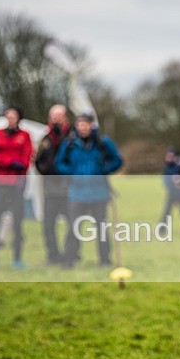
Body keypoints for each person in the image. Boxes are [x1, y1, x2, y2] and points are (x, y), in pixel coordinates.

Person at [55, 113, 123, 268]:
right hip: (77, 193)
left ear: (92, 125)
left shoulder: (103, 142)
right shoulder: (70, 143)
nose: (82, 127)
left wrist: (104, 170)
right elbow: (59, 163)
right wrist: (71, 173)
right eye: (80, 124)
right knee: (74, 227)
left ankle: (104, 259)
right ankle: (69, 259)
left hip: (99, 192)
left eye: (85, 124)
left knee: (101, 228)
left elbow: (118, 160)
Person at [0, 106, 33, 269]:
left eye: (14, 116)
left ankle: (17, 259)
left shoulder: (24, 136)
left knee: (18, 223)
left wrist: (16, 163)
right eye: (8, 116)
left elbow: (26, 160)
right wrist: (10, 162)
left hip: (17, 184)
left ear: (19, 118)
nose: (10, 119)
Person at [35, 104, 72, 265]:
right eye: (53, 116)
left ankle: (70, 254)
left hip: (69, 190)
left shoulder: (72, 137)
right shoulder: (45, 139)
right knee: (48, 225)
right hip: (50, 190)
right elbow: (38, 162)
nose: (56, 119)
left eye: (59, 116)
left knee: (73, 225)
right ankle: (53, 255)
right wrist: (47, 171)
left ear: (65, 117)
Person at [159, 147, 180, 227]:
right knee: (167, 211)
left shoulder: (179, 167)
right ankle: (162, 228)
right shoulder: (166, 167)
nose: (169, 158)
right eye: (168, 156)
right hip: (171, 192)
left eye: (171, 156)